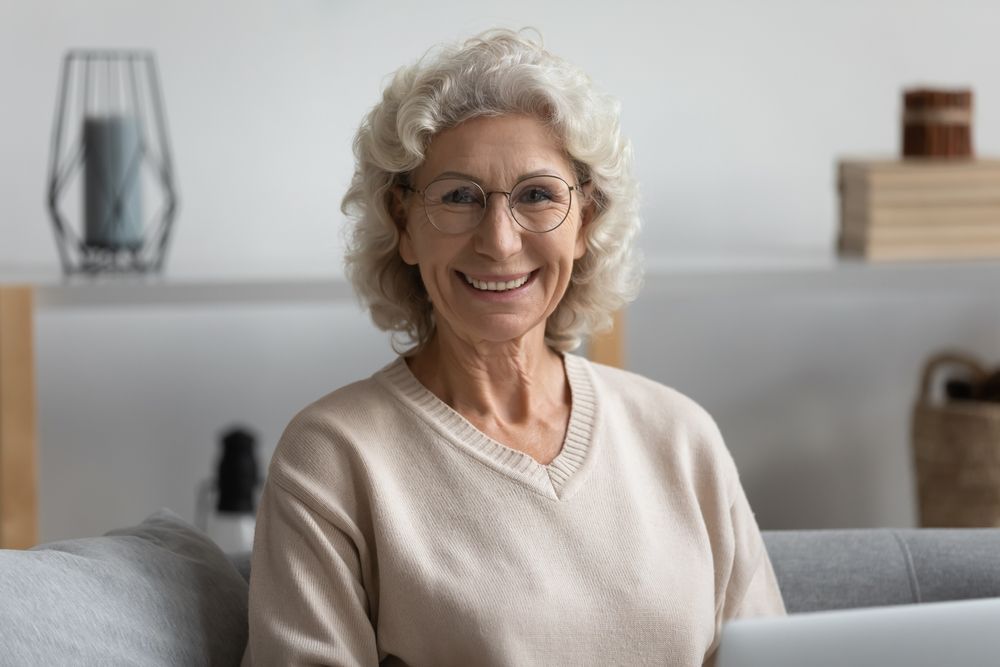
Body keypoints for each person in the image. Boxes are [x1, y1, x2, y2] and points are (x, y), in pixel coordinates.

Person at [243, 28, 785, 667]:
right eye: (458, 197)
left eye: (537, 195)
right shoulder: (333, 458)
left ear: (586, 220)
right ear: (403, 225)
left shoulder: (681, 436)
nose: (499, 241)